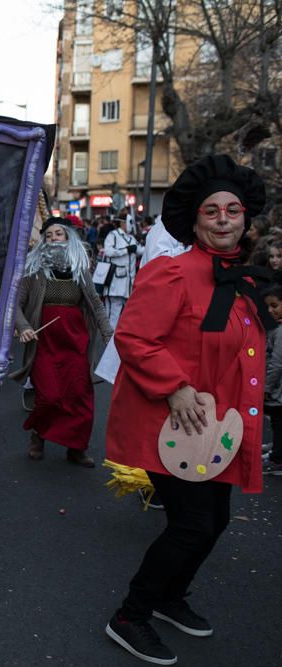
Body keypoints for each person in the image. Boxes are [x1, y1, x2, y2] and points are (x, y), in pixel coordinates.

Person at [104, 155, 271, 665]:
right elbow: (133, 336)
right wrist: (174, 387)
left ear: (245, 218)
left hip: (216, 429)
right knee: (192, 526)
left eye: (232, 210)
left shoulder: (243, 281)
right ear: (196, 223)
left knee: (215, 521)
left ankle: (170, 598)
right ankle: (131, 616)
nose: (223, 219)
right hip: (172, 425)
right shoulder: (170, 273)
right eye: (212, 211)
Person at [12, 219, 112, 466]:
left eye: (59, 234)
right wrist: (23, 327)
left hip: (74, 342)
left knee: (80, 395)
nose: (54, 238)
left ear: (69, 238)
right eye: (48, 235)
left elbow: (96, 304)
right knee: (49, 395)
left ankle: (76, 448)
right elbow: (15, 304)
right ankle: (39, 434)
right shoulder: (33, 271)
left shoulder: (80, 269)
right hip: (44, 344)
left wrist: (109, 335)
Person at [101, 217, 138, 328]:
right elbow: (108, 251)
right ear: (122, 222)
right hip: (115, 282)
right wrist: (125, 250)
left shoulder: (131, 238)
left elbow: (140, 250)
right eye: (130, 222)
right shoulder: (113, 235)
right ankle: (109, 343)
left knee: (126, 317)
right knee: (112, 316)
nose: (131, 225)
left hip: (129, 284)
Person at [263, 286, 282, 476]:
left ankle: (278, 458)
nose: (270, 311)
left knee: (278, 423)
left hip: (278, 391)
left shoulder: (280, 331)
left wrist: (266, 387)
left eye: (275, 305)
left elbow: (277, 364)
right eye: (267, 307)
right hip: (277, 390)